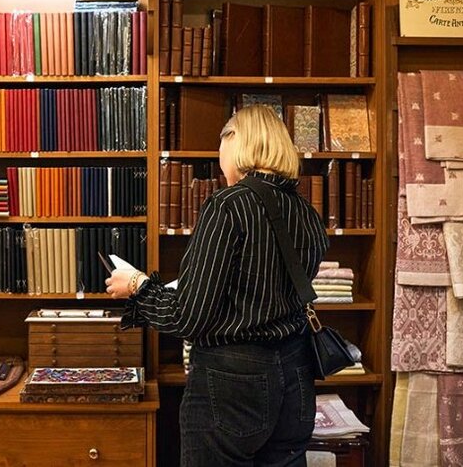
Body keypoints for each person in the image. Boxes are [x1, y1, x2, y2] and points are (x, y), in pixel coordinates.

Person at [106, 105, 329, 467]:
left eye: (221, 151)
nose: (221, 166)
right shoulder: (306, 212)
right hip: (296, 374)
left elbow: (188, 318)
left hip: (233, 381)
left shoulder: (228, 206)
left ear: (238, 143)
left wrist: (137, 286)